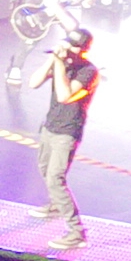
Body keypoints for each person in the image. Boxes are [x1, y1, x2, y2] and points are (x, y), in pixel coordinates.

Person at [39, 28, 98, 249]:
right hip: (50, 126)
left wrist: (59, 64)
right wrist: (52, 61)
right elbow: (34, 82)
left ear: (82, 50)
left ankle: (76, 232)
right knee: (44, 168)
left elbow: (65, 96)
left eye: (73, 46)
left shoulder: (88, 72)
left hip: (67, 131)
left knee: (55, 178)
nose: (68, 49)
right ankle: (56, 205)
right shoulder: (64, 64)